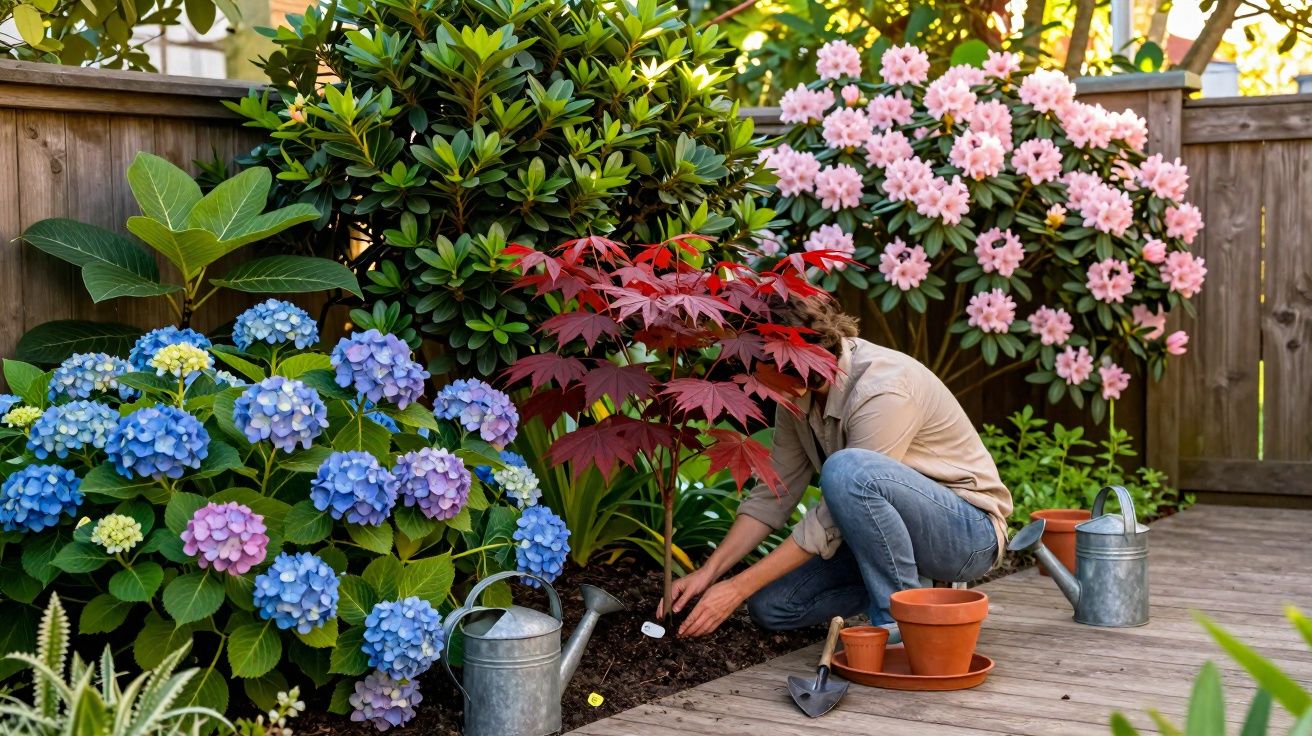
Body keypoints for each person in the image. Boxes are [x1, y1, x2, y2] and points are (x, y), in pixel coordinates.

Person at [658, 298, 1012, 638]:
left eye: (756, 367)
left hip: (967, 533)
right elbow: (773, 495)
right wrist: (710, 573)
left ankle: (902, 627)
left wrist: (737, 587)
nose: (751, 379)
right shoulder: (794, 396)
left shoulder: (883, 387)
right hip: (883, 534)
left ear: (788, 360)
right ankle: (917, 587)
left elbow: (835, 512)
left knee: (847, 470)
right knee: (771, 606)